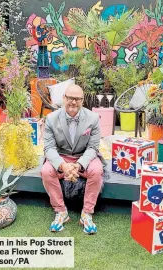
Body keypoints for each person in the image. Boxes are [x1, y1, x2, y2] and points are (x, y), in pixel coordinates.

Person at [41, 84, 105, 234]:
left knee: (97, 170)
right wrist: (63, 165)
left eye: (77, 99)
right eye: (70, 98)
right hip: (61, 156)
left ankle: (87, 213)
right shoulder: (51, 119)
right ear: (64, 98)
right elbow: (49, 148)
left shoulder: (93, 118)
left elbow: (93, 148)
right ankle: (61, 211)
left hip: (84, 156)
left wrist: (78, 165)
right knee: (46, 170)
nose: (73, 102)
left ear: (82, 100)